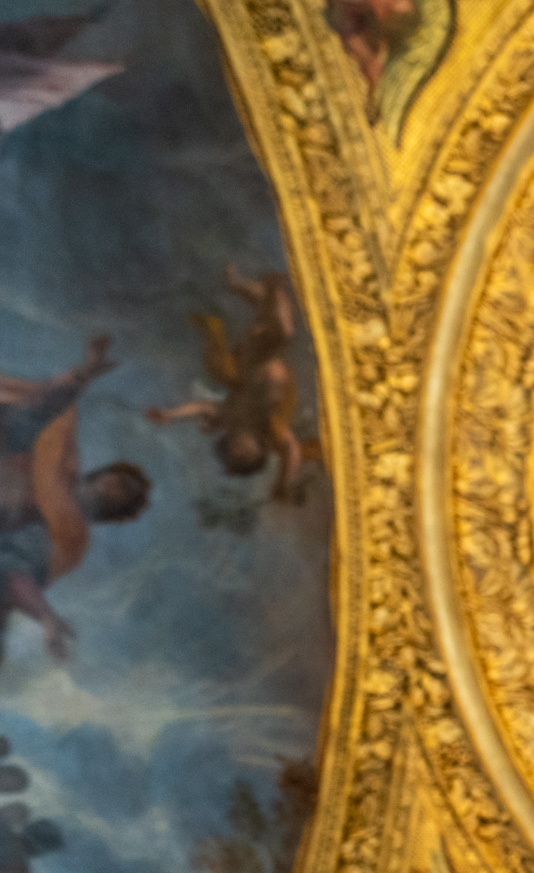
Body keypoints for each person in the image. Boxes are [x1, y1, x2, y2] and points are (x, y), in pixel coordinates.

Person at [0, 335, 151, 661]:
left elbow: (13, 570)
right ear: (99, 474)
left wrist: (45, 617)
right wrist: (83, 373)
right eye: (117, 481)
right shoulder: (53, 457)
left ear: (110, 513)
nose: (112, 488)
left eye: (119, 496)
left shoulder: (64, 534)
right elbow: (37, 409)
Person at [148, 266, 312, 502]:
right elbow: (291, 450)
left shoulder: (230, 417)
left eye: (234, 454)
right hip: (266, 362)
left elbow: (202, 407)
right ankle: (253, 287)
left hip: (246, 366)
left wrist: (171, 414)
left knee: (277, 328)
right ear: (260, 453)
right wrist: (283, 483)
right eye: (245, 456)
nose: (239, 450)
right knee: (277, 326)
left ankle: (255, 288)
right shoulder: (271, 429)